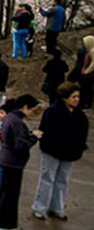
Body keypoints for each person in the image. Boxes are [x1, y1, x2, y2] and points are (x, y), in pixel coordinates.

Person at [31, 82, 89, 220]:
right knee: (47, 178)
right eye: (73, 96)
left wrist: (79, 148)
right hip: (52, 151)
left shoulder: (79, 115)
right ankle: (40, 207)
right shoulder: (53, 112)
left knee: (62, 180)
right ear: (65, 97)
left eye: (77, 96)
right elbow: (43, 130)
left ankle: (57, 208)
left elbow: (82, 133)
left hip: (69, 153)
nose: (76, 99)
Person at [0, 95, 43, 230]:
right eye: (31, 110)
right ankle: (7, 224)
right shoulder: (17, 122)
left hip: (6, 159)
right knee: (11, 196)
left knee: (5, 194)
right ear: (25, 107)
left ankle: (1, 221)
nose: (31, 113)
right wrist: (34, 137)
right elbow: (20, 145)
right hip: (13, 162)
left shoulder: (10, 117)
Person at [68, 36, 94, 110]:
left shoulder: (92, 51)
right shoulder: (88, 51)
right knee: (86, 88)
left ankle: (85, 103)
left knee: (86, 89)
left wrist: (86, 71)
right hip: (86, 73)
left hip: (87, 74)